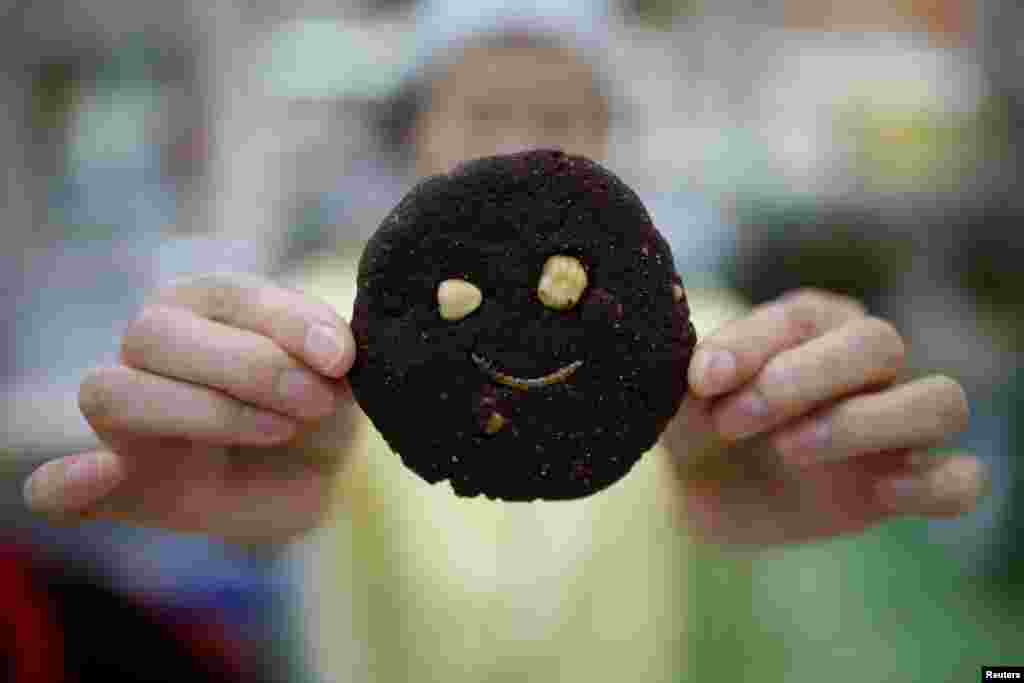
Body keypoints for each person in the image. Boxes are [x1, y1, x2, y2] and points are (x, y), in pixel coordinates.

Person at [22, 14, 986, 683]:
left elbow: (771, 430)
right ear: (416, 137)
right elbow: (226, 508)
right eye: (484, 115)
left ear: (610, 142)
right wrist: (228, 501)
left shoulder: (711, 348)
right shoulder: (324, 335)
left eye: (561, 119)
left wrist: (797, 433)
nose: (523, 150)